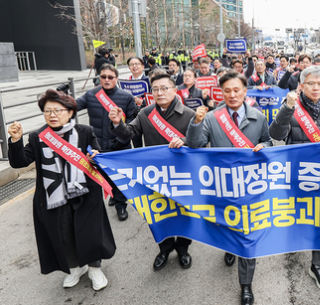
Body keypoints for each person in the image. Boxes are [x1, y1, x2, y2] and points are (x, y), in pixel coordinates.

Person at [7, 89, 116, 291]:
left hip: (84, 194)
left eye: (57, 110)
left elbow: (97, 156)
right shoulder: (37, 137)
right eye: (47, 111)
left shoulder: (85, 132)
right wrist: (15, 141)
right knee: (63, 235)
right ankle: (75, 267)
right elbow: (19, 162)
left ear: (70, 112)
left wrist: (95, 156)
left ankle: (94, 268)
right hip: (53, 197)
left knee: (89, 233)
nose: (52, 115)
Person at [187, 71, 272, 305]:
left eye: (237, 90)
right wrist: (195, 122)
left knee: (248, 235)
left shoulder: (258, 117)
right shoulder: (213, 118)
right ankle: (229, 247)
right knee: (226, 227)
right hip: (223, 187)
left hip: (251, 188)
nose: (232, 95)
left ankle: (246, 285)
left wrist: (264, 145)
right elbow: (194, 145)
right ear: (221, 93)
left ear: (245, 92)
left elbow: (270, 142)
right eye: (227, 91)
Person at [109, 72, 196, 272]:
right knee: (158, 215)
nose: (160, 92)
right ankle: (164, 249)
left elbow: (200, 143)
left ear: (175, 90)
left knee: (184, 214)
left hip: (182, 175)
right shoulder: (145, 114)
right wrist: (117, 123)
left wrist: (185, 141)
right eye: (155, 89)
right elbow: (127, 135)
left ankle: (183, 249)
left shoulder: (190, 115)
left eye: (165, 88)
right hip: (154, 176)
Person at [269, 66, 320, 291]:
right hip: (296, 177)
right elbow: (275, 136)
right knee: (294, 216)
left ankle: (318, 265)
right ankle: (292, 242)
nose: (315, 88)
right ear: (301, 85)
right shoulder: (291, 108)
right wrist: (287, 109)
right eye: (310, 83)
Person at [76, 63, 137, 221]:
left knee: (120, 177)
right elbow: (73, 106)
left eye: (111, 77)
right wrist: (60, 98)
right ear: (99, 78)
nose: (107, 79)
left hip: (120, 145)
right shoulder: (91, 95)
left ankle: (120, 206)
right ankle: (112, 195)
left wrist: (119, 139)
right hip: (98, 146)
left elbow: (131, 123)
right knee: (104, 176)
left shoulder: (126, 97)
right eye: (103, 77)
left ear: (116, 78)